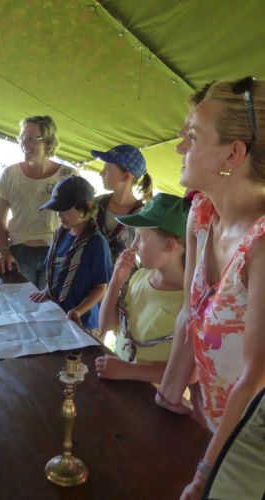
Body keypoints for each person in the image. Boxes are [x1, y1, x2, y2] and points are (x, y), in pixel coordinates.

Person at [154, 77, 265, 499]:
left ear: (233, 154)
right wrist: (167, 398)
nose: (179, 147)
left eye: (193, 136)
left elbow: (256, 377)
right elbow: (190, 312)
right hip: (219, 429)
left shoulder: (261, 245)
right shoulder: (202, 214)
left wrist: (206, 474)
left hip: (253, 450)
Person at [95, 193, 189, 382]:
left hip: (149, 395)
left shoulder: (189, 301)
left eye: (140, 238)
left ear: (169, 245)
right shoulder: (140, 276)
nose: (133, 245)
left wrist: (129, 371)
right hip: (118, 381)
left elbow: (189, 374)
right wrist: (115, 282)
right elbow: (106, 324)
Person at [0, 115, 78, 289]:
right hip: (19, 253)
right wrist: (4, 251)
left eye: (31, 138)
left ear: (48, 141)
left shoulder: (68, 175)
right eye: (22, 137)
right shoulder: (9, 174)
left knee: (53, 303)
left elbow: (80, 218)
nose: (24, 143)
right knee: (21, 303)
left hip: (57, 251)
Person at [30, 176, 112, 333]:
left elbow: (100, 288)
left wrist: (78, 311)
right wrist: (47, 290)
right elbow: (55, 269)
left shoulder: (96, 244)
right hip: (58, 312)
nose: (60, 216)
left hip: (82, 321)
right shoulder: (60, 235)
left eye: (65, 211)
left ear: (87, 206)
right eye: (58, 211)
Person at [90, 144, 153, 265]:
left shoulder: (143, 216)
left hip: (124, 276)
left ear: (125, 177)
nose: (101, 173)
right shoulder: (95, 204)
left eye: (107, 169)